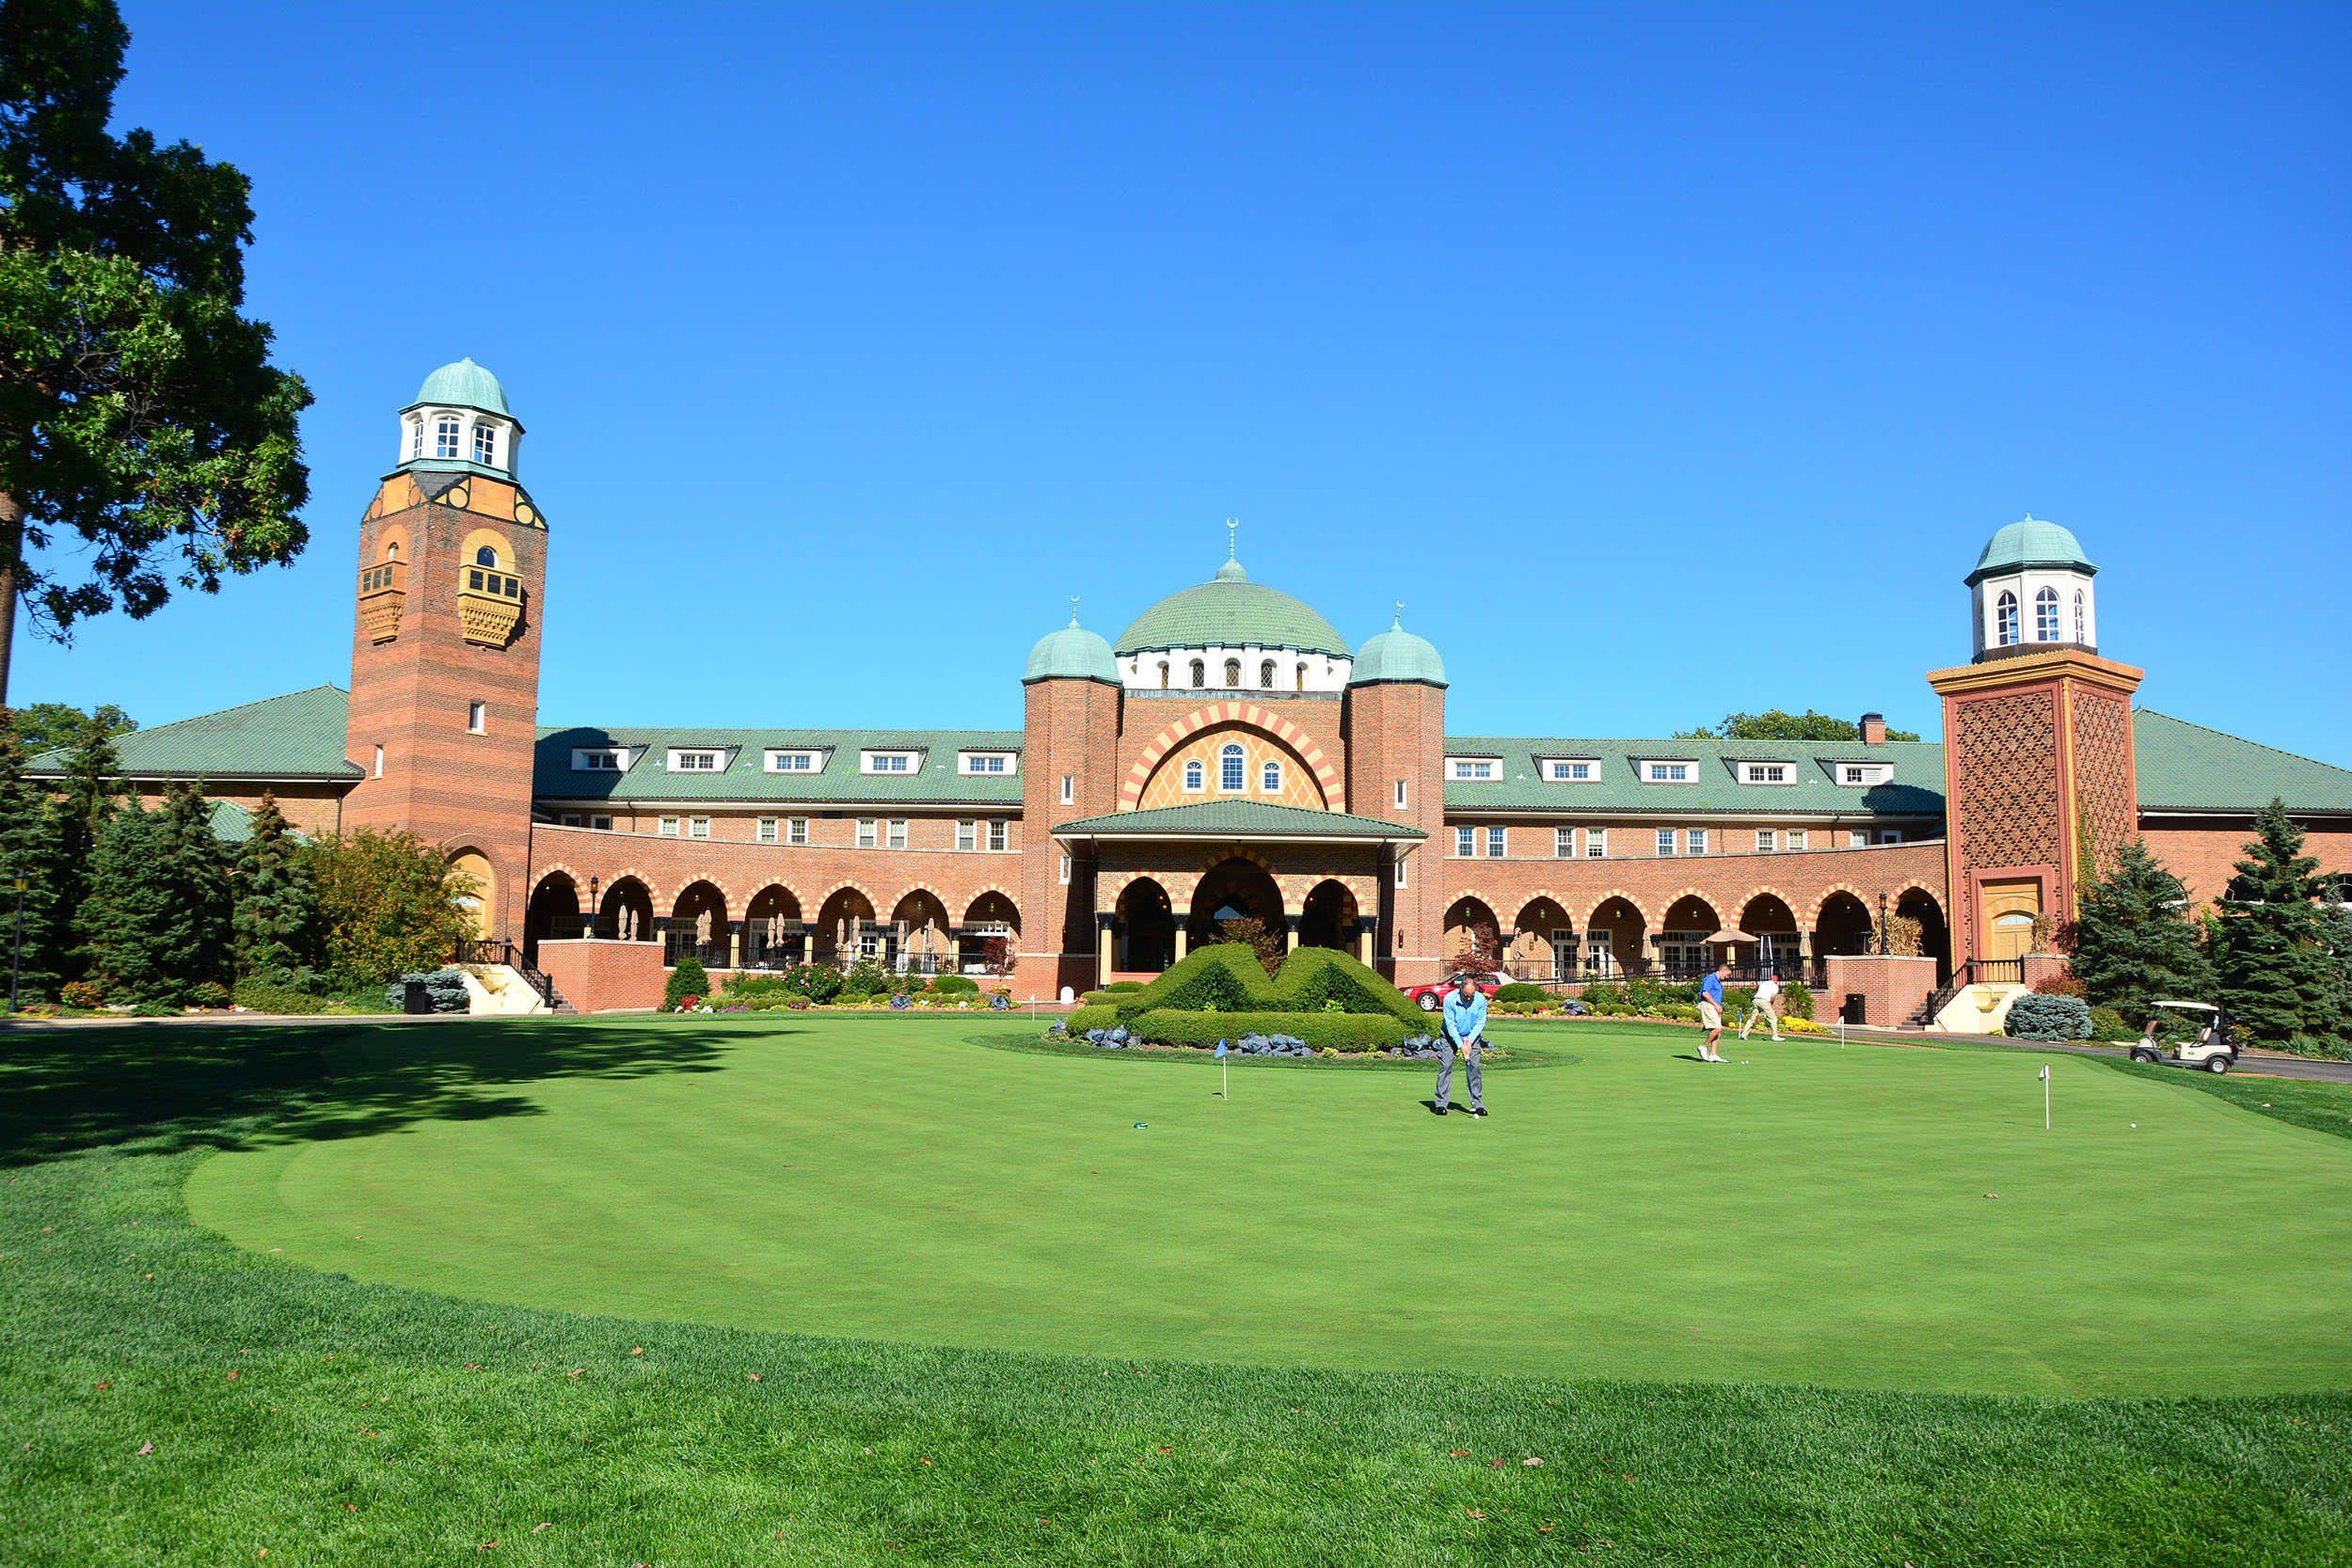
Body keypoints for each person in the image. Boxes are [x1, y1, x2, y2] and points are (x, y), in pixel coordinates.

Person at [1436, 974, 1488, 1117]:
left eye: (1471, 996)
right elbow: (1450, 1024)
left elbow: (1480, 1022)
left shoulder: (1480, 999)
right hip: (1449, 1036)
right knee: (1446, 1065)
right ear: (1460, 989)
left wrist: (1469, 1041)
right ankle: (1441, 1103)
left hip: (1472, 1036)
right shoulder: (1450, 999)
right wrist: (1461, 1045)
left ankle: (1478, 1104)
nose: (1469, 999)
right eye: (1466, 996)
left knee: (1475, 1067)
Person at [1698, 961, 1729, 1062]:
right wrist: (1716, 1005)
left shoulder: (1718, 981)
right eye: (1727, 974)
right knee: (1718, 1028)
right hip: (1708, 1005)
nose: (1727, 977)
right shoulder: (1710, 978)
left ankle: (1713, 1054)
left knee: (1718, 1032)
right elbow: (1705, 993)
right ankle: (1704, 1046)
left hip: (1714, 1007)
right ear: (1723, 970)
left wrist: (1718, 1006)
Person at [1742, 973, 1783, 1042]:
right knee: (1773, 1018)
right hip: (1764, 1001)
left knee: (1752, 1018)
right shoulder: (1775, 986)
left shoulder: (1764, 983)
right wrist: (1772, 1002)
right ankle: (1775, 1036)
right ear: (1776, 981)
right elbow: (1772, 996)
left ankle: (1744, 1034)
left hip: (1755, 1000)